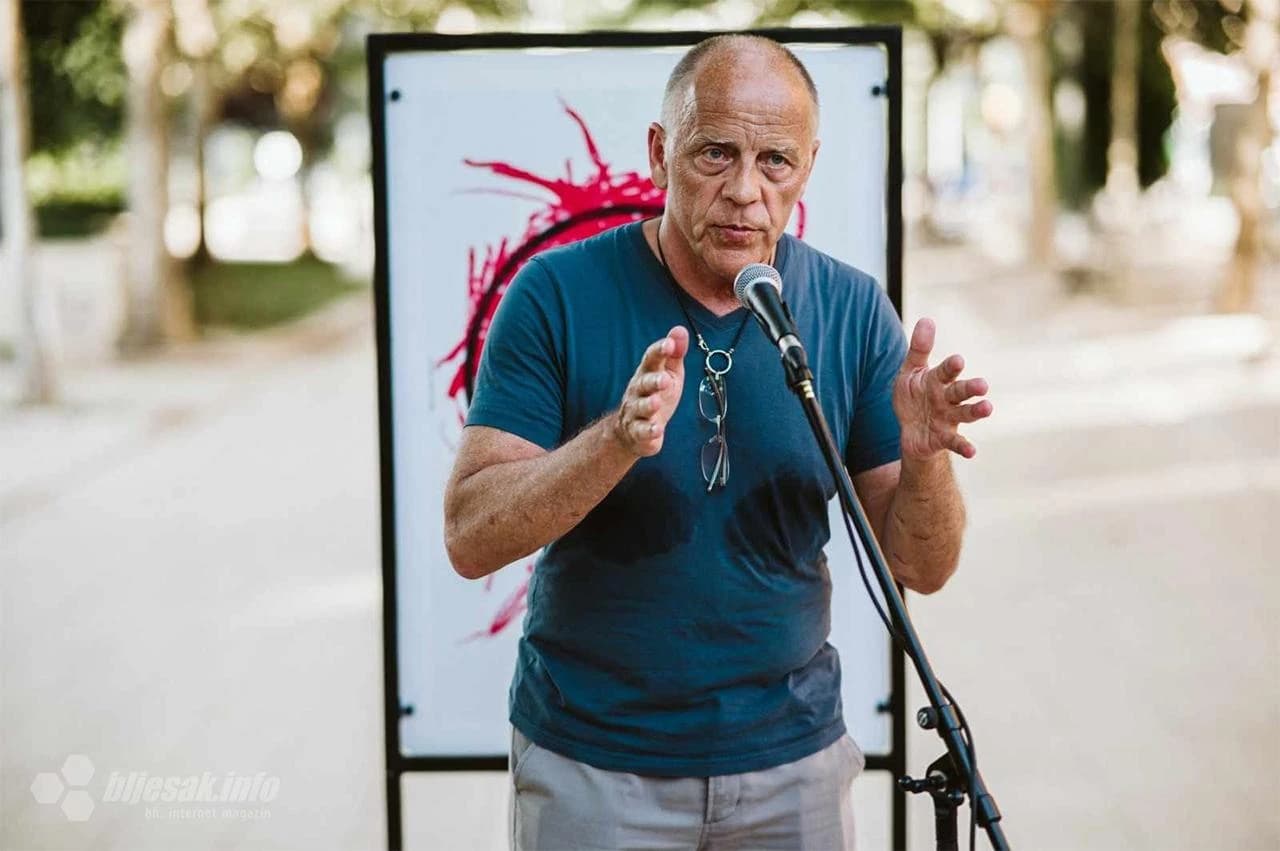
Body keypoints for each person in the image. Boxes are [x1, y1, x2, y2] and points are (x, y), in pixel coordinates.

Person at [444, 33, 993, 851]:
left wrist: (924, 460)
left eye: (775, 161)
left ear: (808, 166)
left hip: (791, 762)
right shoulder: (554, 293)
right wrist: (614, 442)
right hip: (595, 762)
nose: (744, 191)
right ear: (659, 154)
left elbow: (924, 566)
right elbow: (470, 535)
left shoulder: (850, 308)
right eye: (715, 154)